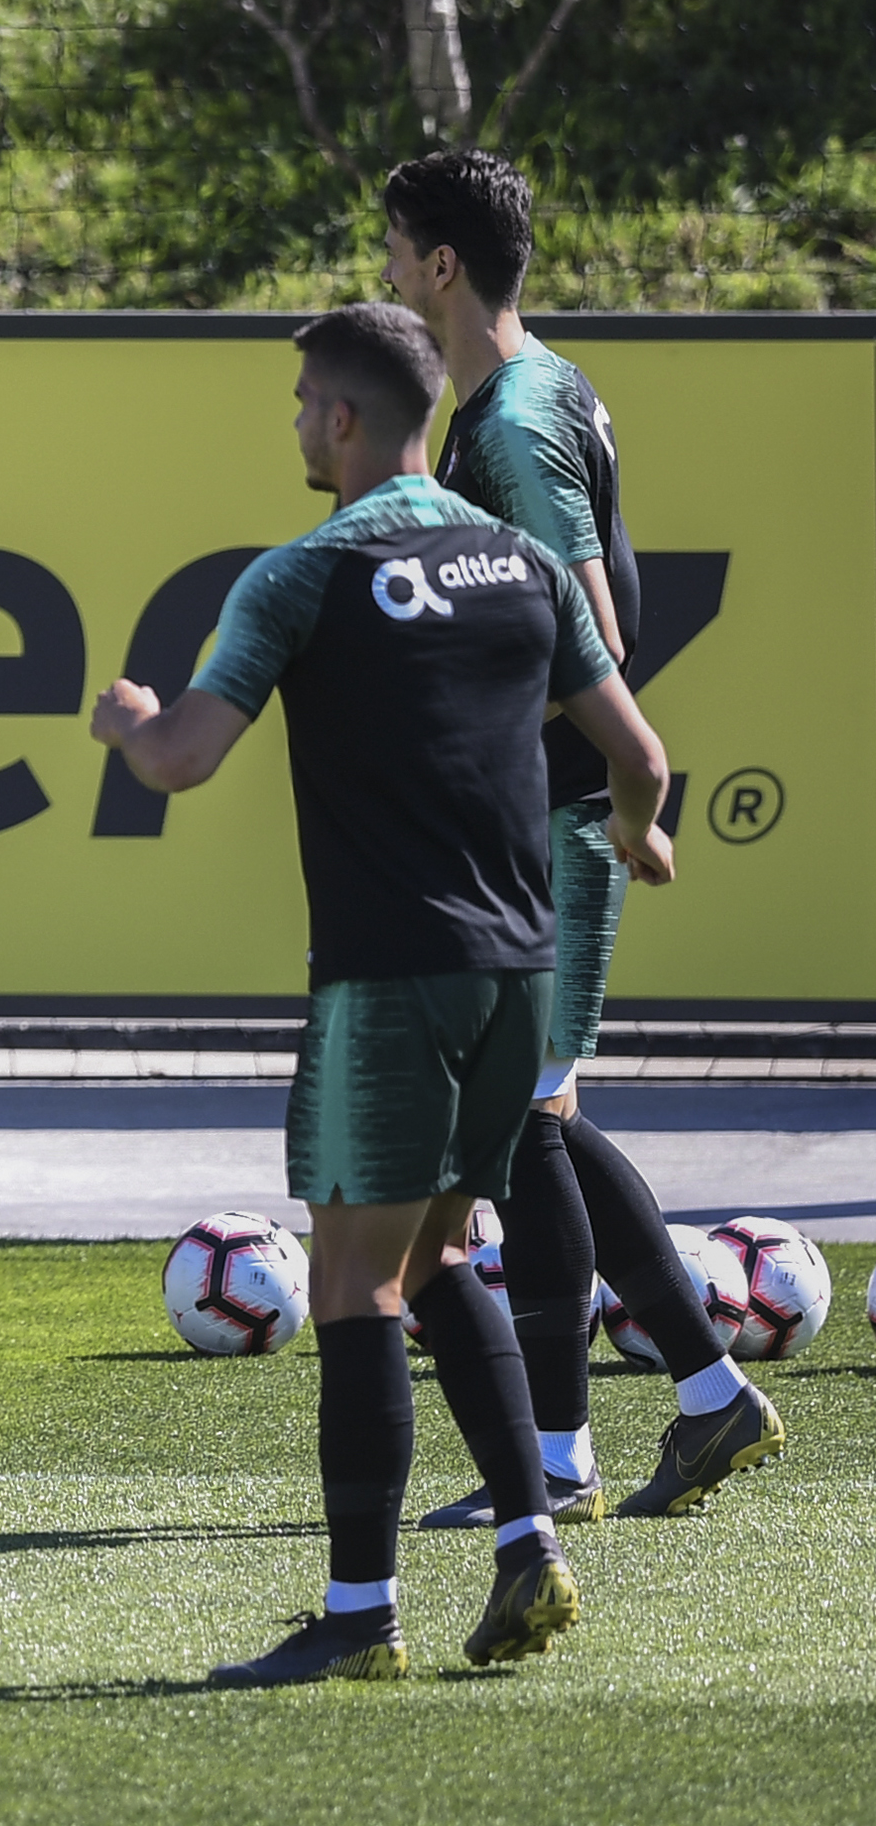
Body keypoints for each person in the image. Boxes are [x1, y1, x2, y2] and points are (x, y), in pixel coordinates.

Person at [94, 302, 676, 1686]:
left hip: (387, 974)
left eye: (303, 402)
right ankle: (531, 1533)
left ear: (345, 418)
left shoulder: (302, 574)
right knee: (438, 1256)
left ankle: (362, 1616)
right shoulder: (527, 563)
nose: (297, 422)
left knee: (355, 1286)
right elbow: (639, 753)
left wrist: (126, 723)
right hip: (514, 975)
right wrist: (640, 833)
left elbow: (183, 759)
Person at [382, 149, 782, 1523]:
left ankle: (561, 1460)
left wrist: (621, 792)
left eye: (393, 248)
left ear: (441, 265)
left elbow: (587, 627)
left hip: (543, 814)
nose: (384, 271)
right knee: (543, 1115)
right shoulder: (553, 383)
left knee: (529, 1129)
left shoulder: (505, 427)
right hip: (560, 809)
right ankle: (708, 1398)